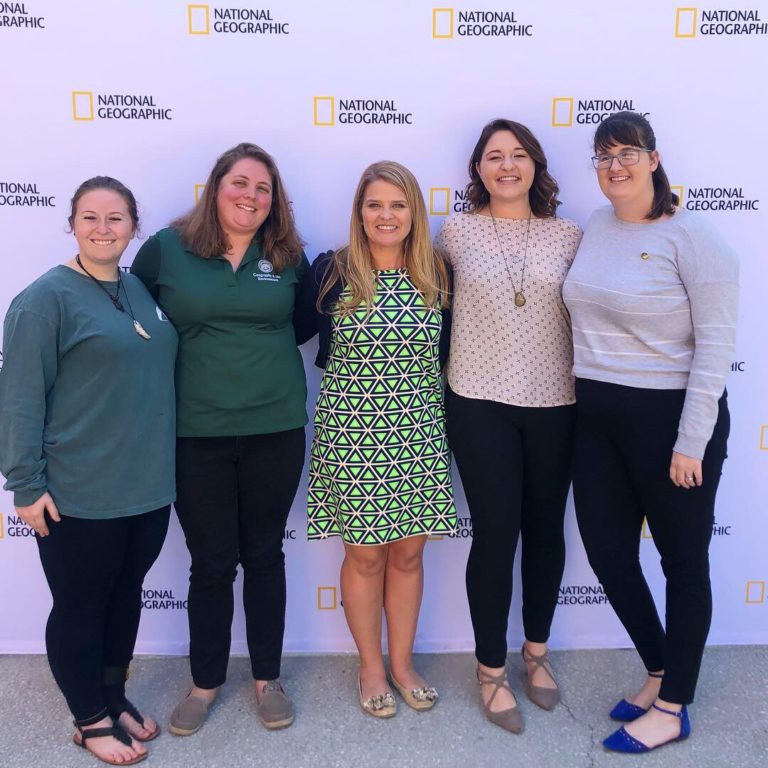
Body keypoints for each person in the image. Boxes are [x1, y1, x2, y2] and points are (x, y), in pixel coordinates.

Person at [563, 111, 738, 753]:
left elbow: (717, 347)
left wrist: (691, 439)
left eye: (628, 153)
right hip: (598, 419)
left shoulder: (695, 236)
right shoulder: (598, 226)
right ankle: (660, 666)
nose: (616, 166)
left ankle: (672, 706)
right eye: (603, 156)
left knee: (683, 563)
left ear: (654, 158)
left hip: (672, 422)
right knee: (608, 553)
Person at [131, 143, 309, 734]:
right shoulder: (166, 249)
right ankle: (205, 682)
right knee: (210, 564)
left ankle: (268, 678)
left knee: (264, 556)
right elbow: (135, 322)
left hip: (274, 428)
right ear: (215, 187)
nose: (251, 196)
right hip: (195, 433)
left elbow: (304, 323)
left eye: (263, 188)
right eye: (240, 183)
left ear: (273, 200)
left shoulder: (287, 256)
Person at [0, 177, 177, 766]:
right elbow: (20, 398)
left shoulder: (136, 289)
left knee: (125, 596)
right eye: (91, 218)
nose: (104, 229)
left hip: (147, 486)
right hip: (79, 490)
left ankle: (112, 695)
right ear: (72, 224)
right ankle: (88, 717)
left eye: (117, 218)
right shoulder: (42, 300)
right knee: (80, 605)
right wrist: (25, 484)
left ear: (133, 227)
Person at [435, 119, 582, 733]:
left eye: (518, 155)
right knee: (496, 534)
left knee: (546, 530)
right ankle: (490, 667)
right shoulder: (456, 232)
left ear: (536, 166)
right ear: (478, 170)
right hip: (478, 400)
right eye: (493, 156)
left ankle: (537, 653)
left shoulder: (570, 234)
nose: (506, 165)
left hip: (557, 400)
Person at [296, 161, 456, 717]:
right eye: (374, 205)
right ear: (359, 212)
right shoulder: (332, 271)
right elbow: (288, 332)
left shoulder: (438, 271)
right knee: (364, 558)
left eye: (397, 204)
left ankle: (404, 664)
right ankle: (370, 666)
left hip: (418, 433)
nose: (385, 216)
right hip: (352, 434)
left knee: (409, 556)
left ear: (414, 211)